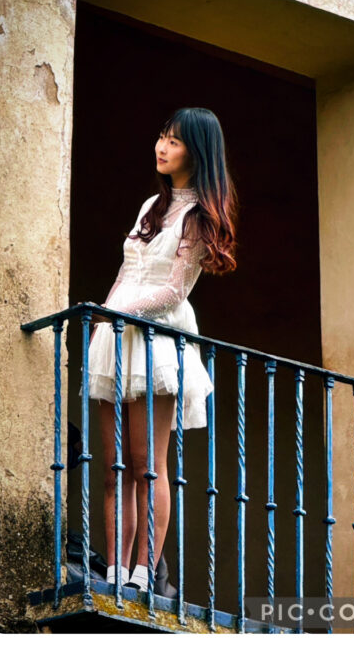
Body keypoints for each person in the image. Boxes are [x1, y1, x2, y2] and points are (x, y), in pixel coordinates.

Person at [87, 107, 237, 593]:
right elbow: (124, 271)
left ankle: (145, 572)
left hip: (158, 340)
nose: (161, 146)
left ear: (196, 151)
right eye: (160, 137)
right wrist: (104, 318)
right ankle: (113, 569)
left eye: (173, 141)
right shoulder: (151, 205)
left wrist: (122, 313)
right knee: (114, 466)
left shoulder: (197, 216)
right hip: (117, 335)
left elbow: (174, 291)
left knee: (146, 463)